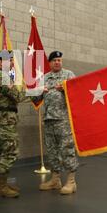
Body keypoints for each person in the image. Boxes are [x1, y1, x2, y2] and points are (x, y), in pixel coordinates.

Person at [0, 50, 27, 198]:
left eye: (11, 60)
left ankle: (1, 184)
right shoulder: (2, 77)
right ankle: (1, 187)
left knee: (1, 152)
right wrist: (34, 91)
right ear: (1, 62)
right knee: (11, 152)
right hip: (5, 120)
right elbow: (17, 96)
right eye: (8, 60)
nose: (11, 63)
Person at [38, 51, 79, 195]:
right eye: (54, 60)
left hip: (64, 120)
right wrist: (37, 91)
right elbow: (37, 97)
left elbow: (78, 92)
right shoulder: (45, 78)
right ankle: (55, 180)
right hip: (49, 119)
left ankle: (71, 181)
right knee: (52, 151)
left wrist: (66, 89)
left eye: (59, 60)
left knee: (66, 149)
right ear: (49, 63)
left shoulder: (69, 75)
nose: (57, 62)